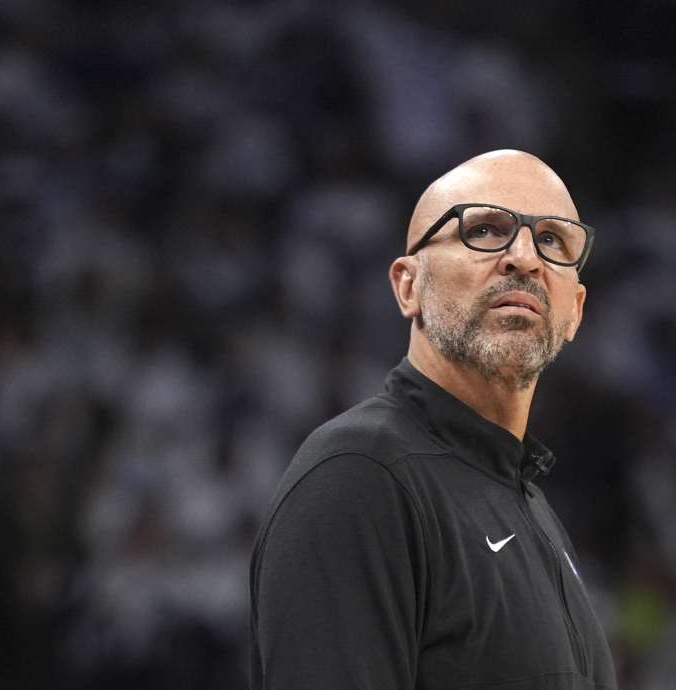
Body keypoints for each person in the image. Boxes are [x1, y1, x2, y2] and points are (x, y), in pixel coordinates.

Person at [249, 149, 617, 689]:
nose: (524, 257)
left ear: (574, 311)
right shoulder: (360, 475)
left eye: (553, 241)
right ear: (407, 285)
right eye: (486, 230)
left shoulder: (528, 502)